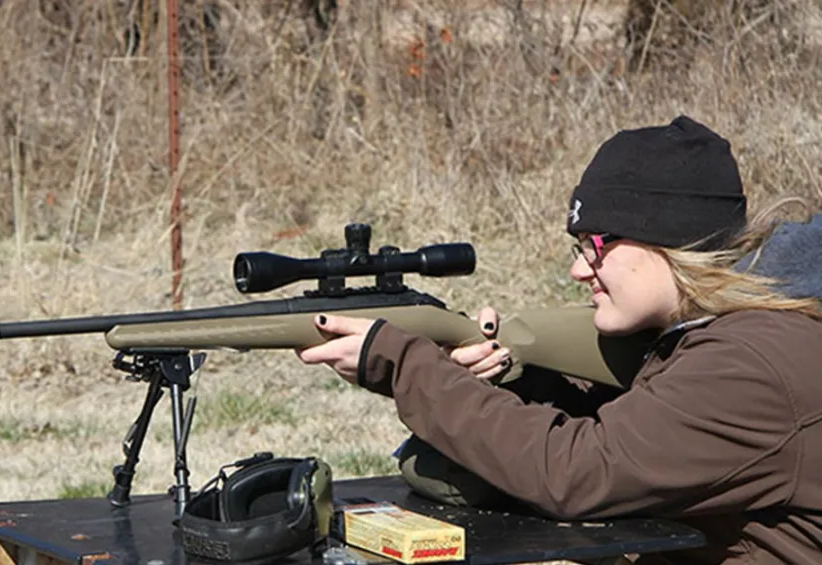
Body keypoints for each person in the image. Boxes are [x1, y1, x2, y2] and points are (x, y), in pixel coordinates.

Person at [296, 115, 822, 564]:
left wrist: (404, 365)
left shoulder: (753, 360)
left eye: (595, 245)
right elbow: (636, 431)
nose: (578, 269)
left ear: (667, 238)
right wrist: (516, 379)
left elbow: (576, 472)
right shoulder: (717, 333)